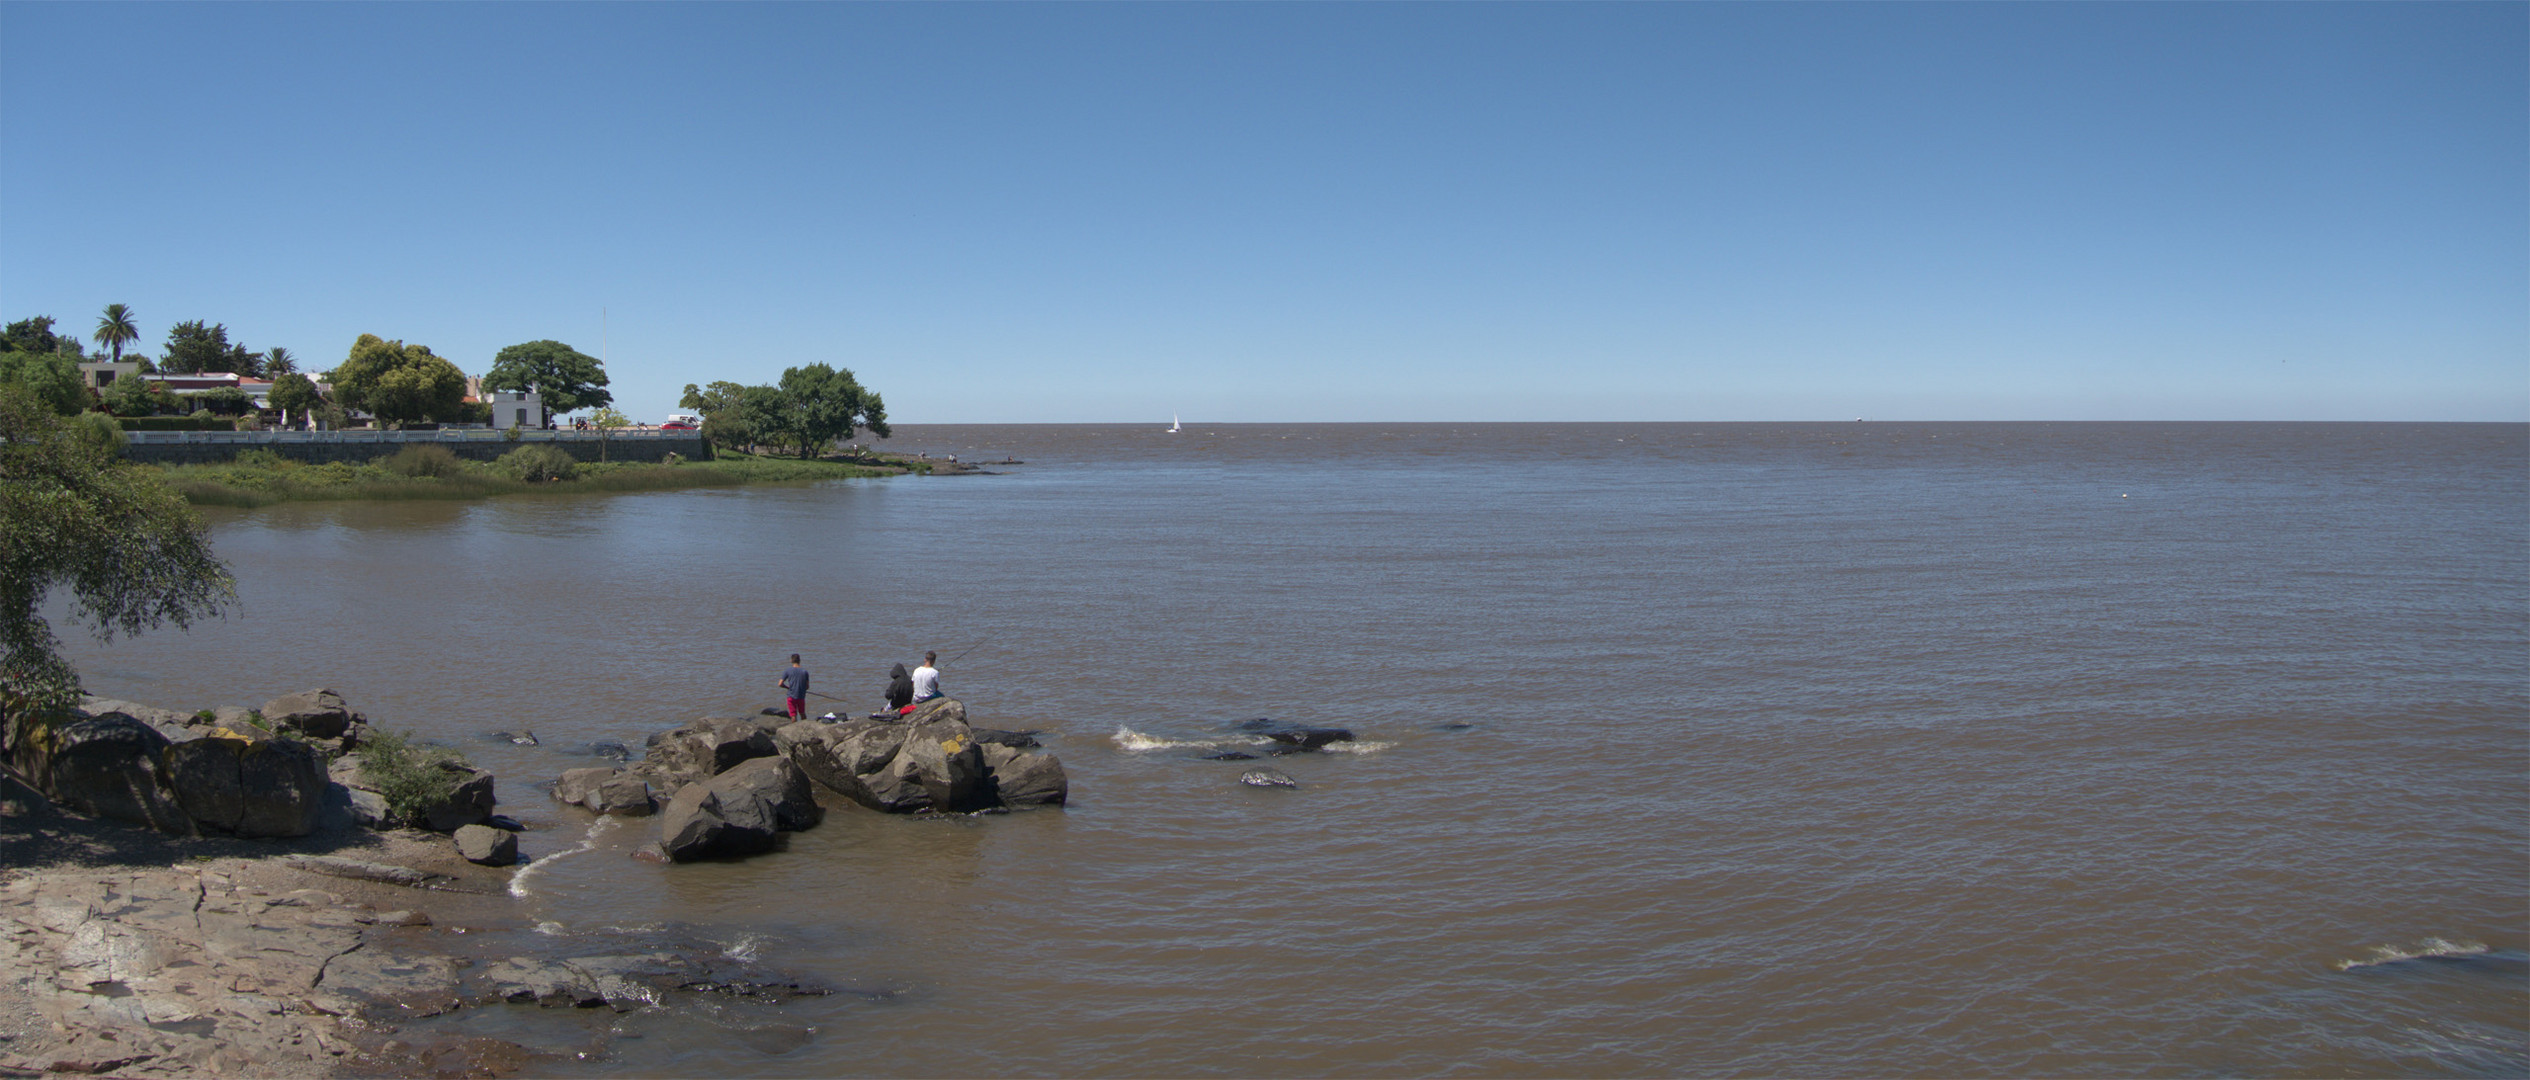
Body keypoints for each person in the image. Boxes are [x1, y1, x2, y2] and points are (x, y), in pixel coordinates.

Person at [776, 654, 810, 720]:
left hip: (791, 696)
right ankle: (805, 727)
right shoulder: (805, 672)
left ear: (791, 660)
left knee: (793, 715)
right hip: (801, 696)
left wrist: (787, 687)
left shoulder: (787, 671)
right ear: (799, 660)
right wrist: (802, 689)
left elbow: (780, 684)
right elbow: (807, 686)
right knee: (802, 713)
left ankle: (794, 728)